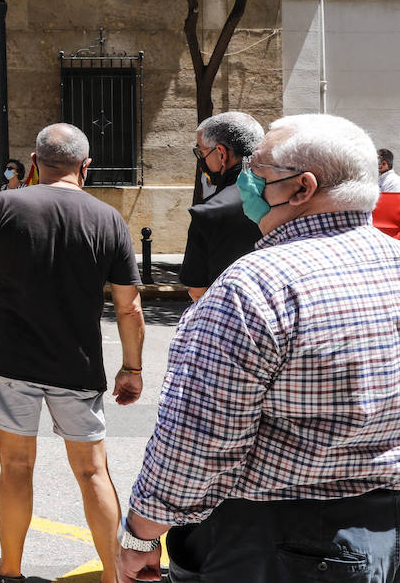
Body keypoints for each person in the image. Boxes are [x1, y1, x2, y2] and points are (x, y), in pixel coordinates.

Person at [117, 114, 400, 583]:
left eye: (260, 172)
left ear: (301, 188)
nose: (247, 180)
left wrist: (141, 533)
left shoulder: (256, 285)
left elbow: (199, 439)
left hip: (274, 540)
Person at [0, 123, 145, 583]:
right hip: (77, 364)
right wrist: (132, 368)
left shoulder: (5, 205)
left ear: (34, 161)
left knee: (16, 466)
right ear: (86, 167)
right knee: (93, 472)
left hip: (11, 359)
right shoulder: (108, 219)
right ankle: (112, 576)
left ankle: (10, 572)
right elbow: (130, 305)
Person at [181, 111, 264, 302]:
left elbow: (197, 292)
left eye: (201, 152)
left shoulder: (208, 212)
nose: (201, 159)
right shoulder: (294, 196)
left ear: (221, 153)